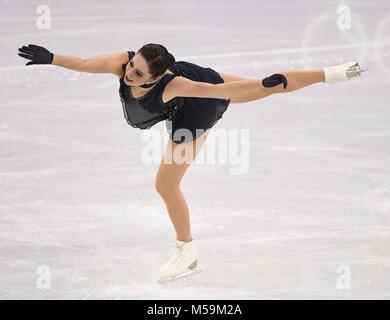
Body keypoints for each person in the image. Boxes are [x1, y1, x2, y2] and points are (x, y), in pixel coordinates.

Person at [17, 43, 367, 283]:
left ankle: (187, 251)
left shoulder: (174, 85)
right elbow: (81, 64)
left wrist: (261, 83)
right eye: (132, 67)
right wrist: (51, 58)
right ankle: (331, 73)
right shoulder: (124, 63)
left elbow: (218, 92)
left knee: (166, 184)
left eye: (139, 74)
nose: (130, 75)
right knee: (261, 86)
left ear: (157, 78)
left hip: (195, 106)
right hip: (190, 79)